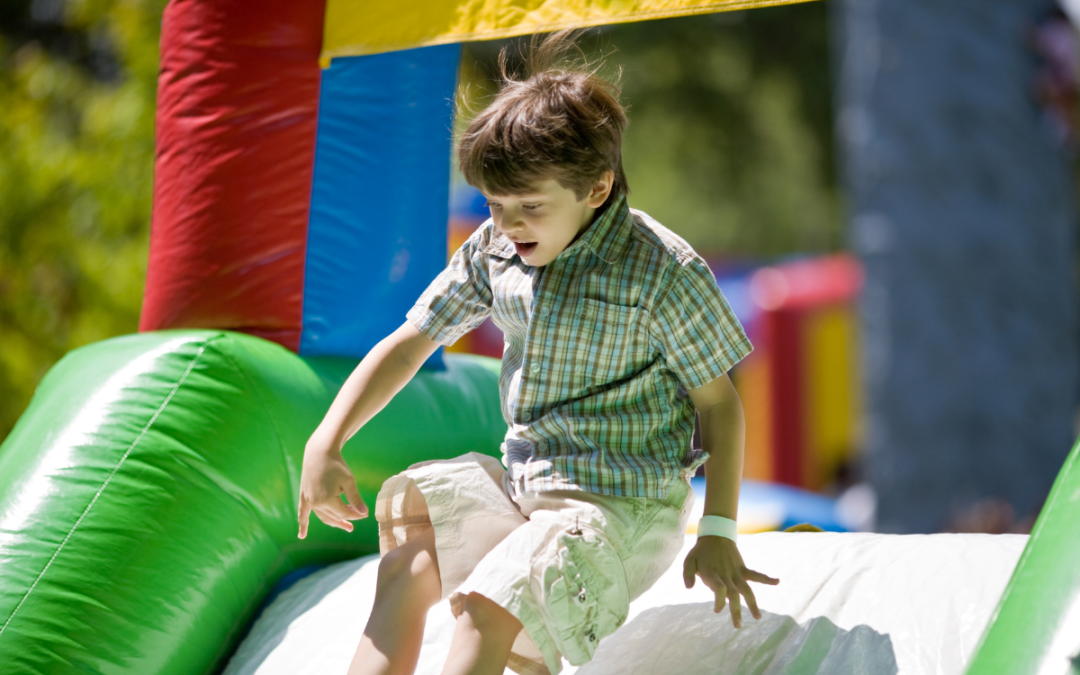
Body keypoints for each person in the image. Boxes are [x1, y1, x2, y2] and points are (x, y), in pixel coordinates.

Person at [296, 31, 779, 675]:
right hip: (526, 486)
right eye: (496, 205)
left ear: (598, 188)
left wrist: (718, 530)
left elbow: (718, 404)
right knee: (408, 562)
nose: (508, 224)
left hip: (619, 508)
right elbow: (411, 340)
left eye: (529, 206)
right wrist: (326, 439)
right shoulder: (494, 250)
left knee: (488, 605)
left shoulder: (660, 270)